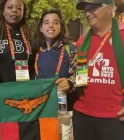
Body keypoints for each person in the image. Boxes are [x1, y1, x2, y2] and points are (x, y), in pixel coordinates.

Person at [73, 0, 124, 140]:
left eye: (93, 8)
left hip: (119, 118)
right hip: (83, 117)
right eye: (85, 9)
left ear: (108, 8)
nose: (87, 13)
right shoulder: (82, 42)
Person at [33, 9, 76, 140]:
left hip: (63, 111)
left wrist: (70, 83)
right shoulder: (35, 51)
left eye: (55, 22)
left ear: (61, 27)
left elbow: (81, 77)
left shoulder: (71, 49)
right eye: (46, 22)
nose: (51, 25)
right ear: (40, 28)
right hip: (41, 110)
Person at [0, 0, 36, 82]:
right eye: (10, 7)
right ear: (3, 11)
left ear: (23, 13)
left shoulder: (32, 36)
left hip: (26, 90)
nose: (14, 10)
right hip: (0, 90)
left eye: (19, 8)